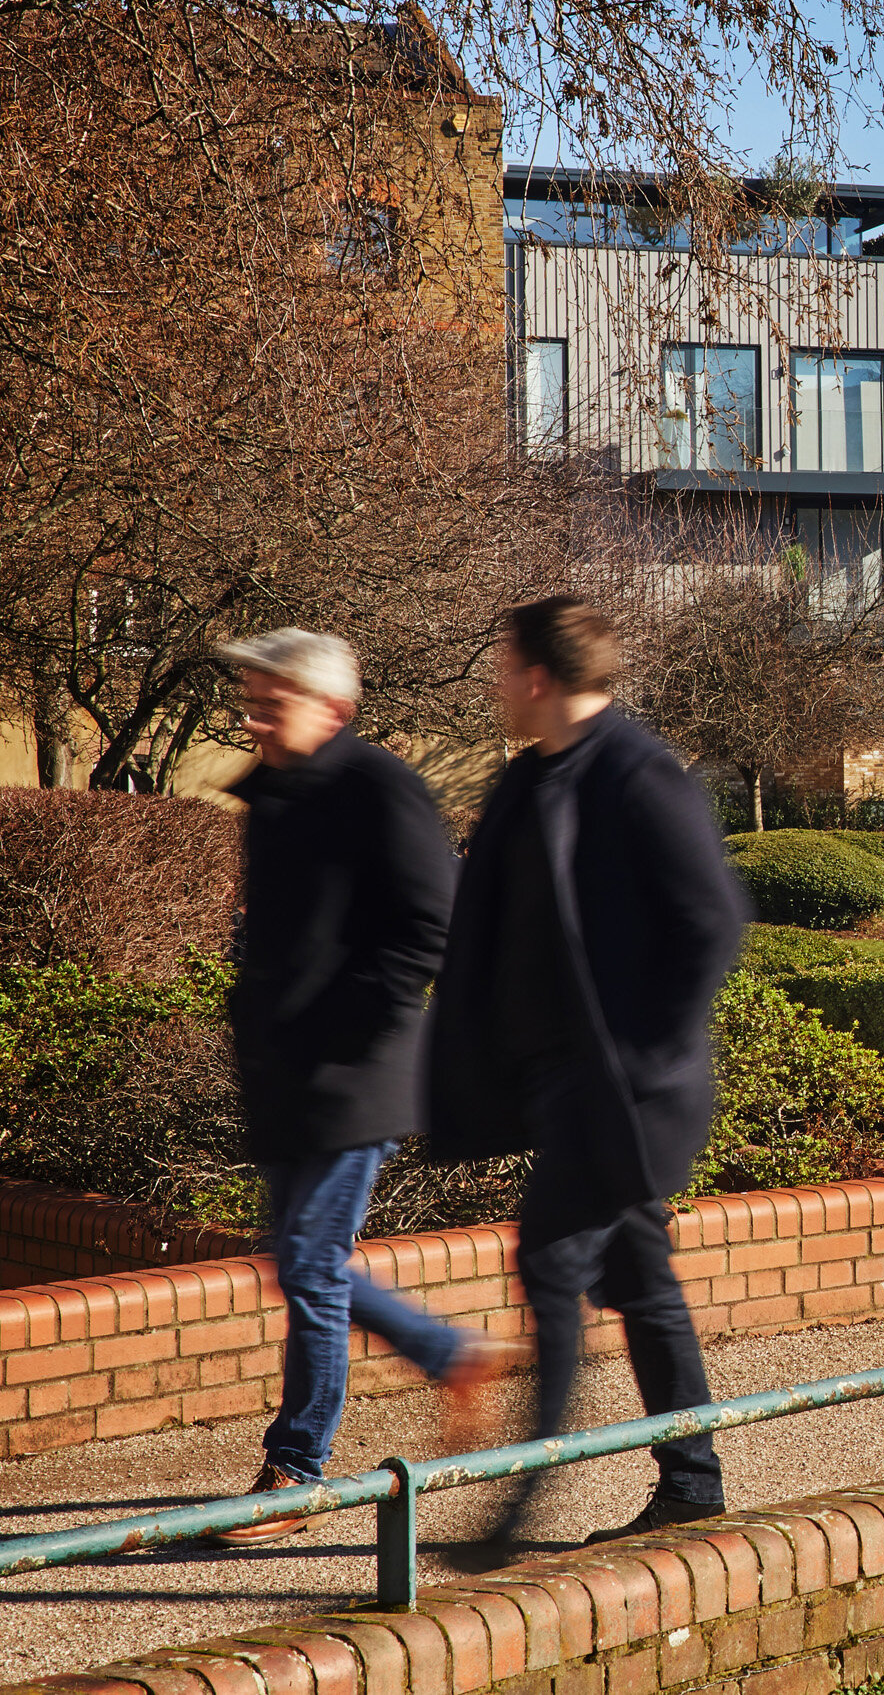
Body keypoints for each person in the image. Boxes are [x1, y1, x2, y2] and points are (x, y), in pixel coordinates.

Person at [426, 596, 747, 1545]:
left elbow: (711, 923)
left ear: (536, 675)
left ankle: (518, 1506)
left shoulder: (639, 773)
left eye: (500, 665)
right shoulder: (531, 782)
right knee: (640, 1277)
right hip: (561, 1084)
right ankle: (692, 1482)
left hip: (629, 1091)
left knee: (549, 1256)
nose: (493, 684)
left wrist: (645, 1055)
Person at [213, 629, 502, 1545]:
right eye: (252, 696)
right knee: (302, 1264)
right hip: (289, 1075)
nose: (255, 713)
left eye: (273, 697)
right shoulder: (274, 796)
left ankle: (297, 1470)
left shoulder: (380, 786)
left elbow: (430, 922)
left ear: (332, 707)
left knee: (304, 1261)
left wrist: (352, 1021)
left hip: (353, 1073)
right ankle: (447, 1354)